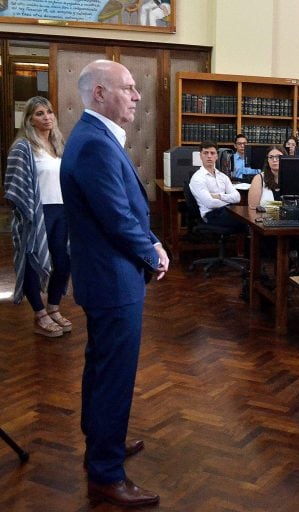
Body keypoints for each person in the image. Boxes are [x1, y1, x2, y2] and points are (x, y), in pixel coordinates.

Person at [60, 59, 168, 507]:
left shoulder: (95, 137)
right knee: (114, 377)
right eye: (128, 88)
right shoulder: (94, 144)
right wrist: (152, 251)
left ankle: (102, 442)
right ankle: (105, 472)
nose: (137, 96)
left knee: (102, 368)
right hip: (113, 281)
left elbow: (126, 208)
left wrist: (153, 239)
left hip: (107, 278)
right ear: (100, 93)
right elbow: (118, 219)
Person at [4, 96, 72, 338]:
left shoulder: (58, 145)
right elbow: (12, 186)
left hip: (61, 211)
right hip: (35, 213)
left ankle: (53, 307)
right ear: (30, 119)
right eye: (40, 113)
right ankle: (39, 314)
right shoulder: (23, 147)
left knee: (63, 262)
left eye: (50, 112)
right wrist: (28, 211)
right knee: (33, 261)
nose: (47, 117)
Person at [188, 140, 244, 231]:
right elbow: (210, 203)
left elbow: (237, 197)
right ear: (200, 156)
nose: (209, 156)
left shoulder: (223, 176)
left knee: (247, 219)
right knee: (245, 222)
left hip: (225, 211)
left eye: (212, 153)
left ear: (216, 156)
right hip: (211, 215)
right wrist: (229, 201)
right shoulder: (197, 178)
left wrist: (218, 196)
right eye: (205, 153)